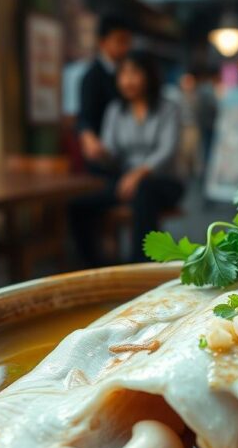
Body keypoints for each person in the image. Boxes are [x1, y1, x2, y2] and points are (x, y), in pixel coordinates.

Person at [70, 51, 183, 265]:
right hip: (127, 183)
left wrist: (137, 174)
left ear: (149, 75)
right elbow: (112, 155)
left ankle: (140, 264)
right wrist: (98, 151)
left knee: (144, 191)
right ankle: (93, 265)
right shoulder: (115, 110)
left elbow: (166, 151)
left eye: (134, 73)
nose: (127, 80)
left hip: (164, 181)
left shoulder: (168, 107)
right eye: (123, 74)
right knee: (78, 204)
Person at [77, 14, 132, 170]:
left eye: (128, 41)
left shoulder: (126, 71)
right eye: (120, 41)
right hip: (103, 154)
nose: (126, 47)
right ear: (102, 42)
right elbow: (85, 116)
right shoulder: (92, 76)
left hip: (127, 153)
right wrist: (88, 139)